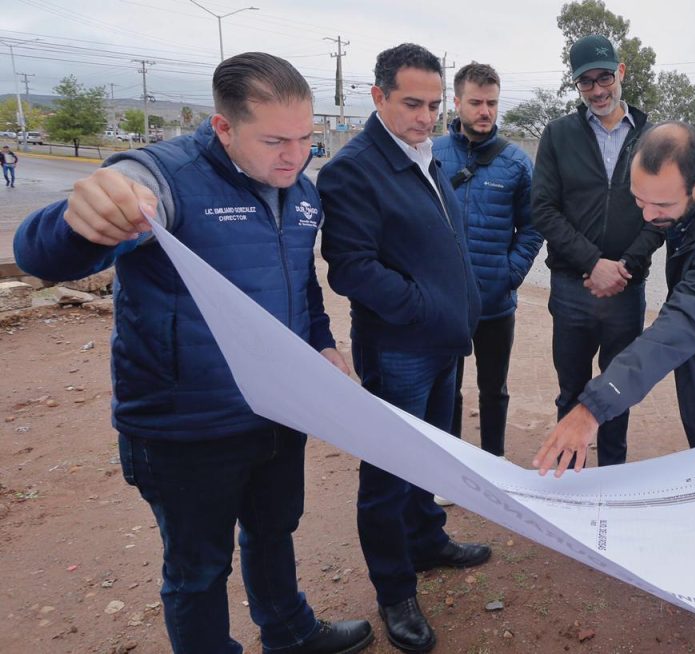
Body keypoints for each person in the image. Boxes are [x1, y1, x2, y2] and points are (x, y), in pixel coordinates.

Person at [13, 52, 373, 654]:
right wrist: (81, 217)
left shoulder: (301, 191)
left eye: (306, 138)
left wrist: (322, 343)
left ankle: (289, 632)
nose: (295, 156)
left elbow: (301, 283)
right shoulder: (164, 178)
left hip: (279, 410)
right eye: (275, 141)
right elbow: (46, 256)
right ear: (224, 127)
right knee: (198, 568)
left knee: (274, 529)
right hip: (187, 425)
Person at [316, 43, 491, 654]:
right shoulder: (354, 169)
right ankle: (395, 591)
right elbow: (352, 268)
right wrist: (425, 308)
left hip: (443, 342)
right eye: (412, 104)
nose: (426, 116)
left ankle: (427, 541)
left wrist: (457, 308)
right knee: (389, 472)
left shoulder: (426, 155)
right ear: (379, 96)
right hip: (399, 351)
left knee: (431, 455)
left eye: (434, 105)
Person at [534, 122, 695, 476]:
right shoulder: (693, 195)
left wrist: (593, 407)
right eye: (639, 200)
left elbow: (683, 321)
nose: (648, 216)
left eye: (662, 205)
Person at [531, 34, 664, 467]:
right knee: (571, 392)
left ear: (621, 72)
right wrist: (592, 262)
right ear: (576, 85)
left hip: (626, 289)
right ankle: (570, 482)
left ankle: (610, 484)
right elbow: (543, 209)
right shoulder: (558, 135)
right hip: (572, 288)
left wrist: (624, 267)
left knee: (616, 393)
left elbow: (661, 214)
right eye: (585, 82)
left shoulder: (653, 138)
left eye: (604, 77)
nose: (597, 90)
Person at [432, 62, 542, 461]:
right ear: (457, 102)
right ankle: (452, 465)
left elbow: (533, 226)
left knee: (494, 388)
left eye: (492, 103)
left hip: (495, 303)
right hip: (445, 303)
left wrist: (509, 274)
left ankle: (494, 460)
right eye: (476, 102)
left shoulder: (516, 163)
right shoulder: (431, 154)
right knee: (447, 387)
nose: (485, 111)